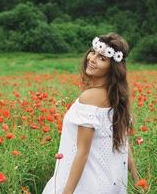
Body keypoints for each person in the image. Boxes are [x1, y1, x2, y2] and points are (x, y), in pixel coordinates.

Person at [42, 33, 139, 194]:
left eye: (102, 58)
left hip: (85, 186)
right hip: (110, 184)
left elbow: (82, 153)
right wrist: (138, 181)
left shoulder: (90, 97)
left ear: (112, 67)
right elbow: (123, 145)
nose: (92, 59)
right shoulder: (116, 98)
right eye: (93, 52)